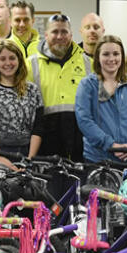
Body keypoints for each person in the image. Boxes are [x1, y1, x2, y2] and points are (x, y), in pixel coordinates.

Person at [74, 35, 127, 164]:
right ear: (98, 57)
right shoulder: (87, 85)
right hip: (97, 159)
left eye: (116, 54)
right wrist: (111, 145)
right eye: (106, 54)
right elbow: (84, 120)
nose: (111, 59)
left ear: (122, 57)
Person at [29, 13, 91, 160]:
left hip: (80, 138)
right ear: (46, 34)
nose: (59, 36)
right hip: (44, 139)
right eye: (55, 31)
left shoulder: (89, 63)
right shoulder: (30, 64)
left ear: (71, 34)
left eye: (64, 31)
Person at [0, 39, 43, 168]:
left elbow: (38, 128)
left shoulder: (32, 90)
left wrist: (29, 159)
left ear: (19, 61)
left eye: (12, 58)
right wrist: (0, 158)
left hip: (26, 152)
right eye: (2, 59)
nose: (8, 63)